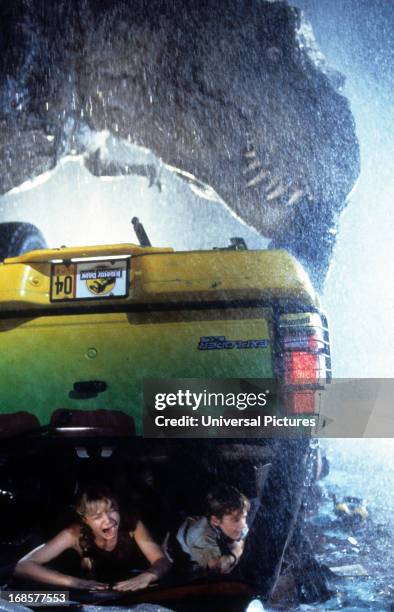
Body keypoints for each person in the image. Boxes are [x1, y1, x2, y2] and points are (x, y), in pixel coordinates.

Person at [14, 485, 171, 592]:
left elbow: (161, 561)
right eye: (97, 516)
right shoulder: (73, 533)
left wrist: (148, 575)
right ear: (85, 520)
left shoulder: (132, 524)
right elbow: (24, 566)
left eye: (112, 510)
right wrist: (71, 581)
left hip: (131, 590)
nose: (109, 521)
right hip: (90, 593)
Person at [175, 484, 250, 574]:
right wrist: (233, 556)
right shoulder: (202, 538)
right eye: (235, 519)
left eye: (244, 517)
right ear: (215, 520)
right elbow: (221, 569)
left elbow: (241, 541)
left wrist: (231, 557)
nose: (243, 525)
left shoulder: (236, 524)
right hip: (178, 554)